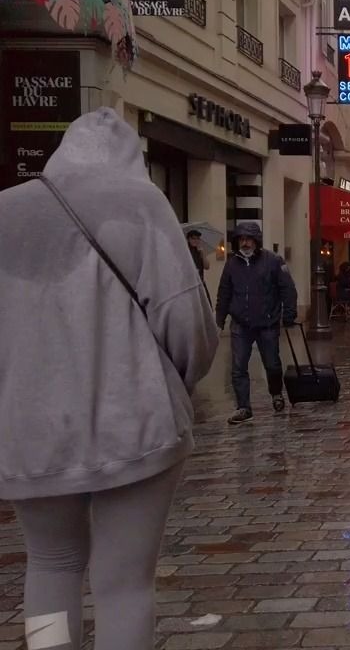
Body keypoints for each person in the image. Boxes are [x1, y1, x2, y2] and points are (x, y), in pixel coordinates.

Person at [0, 108, 219, 650]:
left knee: (49, 566)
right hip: (134, 420)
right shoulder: (143, 206)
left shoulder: (5, 211)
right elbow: (188, 323)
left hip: (30, 428)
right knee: (124, 584)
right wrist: (175, 381)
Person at [216, 222, 298, 425]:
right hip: (240, 324)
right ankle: (243, 407)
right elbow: (224, 294)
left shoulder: (272, 261)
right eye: (241, 239)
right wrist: (219, 321)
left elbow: (287, 288)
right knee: (238, 367)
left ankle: (276, 393)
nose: (245, 243)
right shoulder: (231, 264)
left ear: (256, 241)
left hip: (267, 322)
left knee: (272, 364)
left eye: (248, 239)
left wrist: (289, 315)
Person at [187, 229, 210, 298]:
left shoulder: (200, 251)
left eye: (198, 239)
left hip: (200, 283)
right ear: (188, 239)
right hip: (190, 285)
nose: (195, 241)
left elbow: (207, 266)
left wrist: (202, 253)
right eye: (193, 238)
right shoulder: (186, 251)